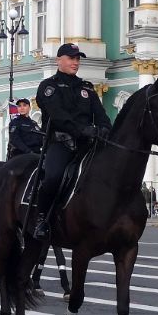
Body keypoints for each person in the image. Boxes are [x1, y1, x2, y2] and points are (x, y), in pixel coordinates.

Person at [30, 43, 112, 239]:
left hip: (87, 145)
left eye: (77, 59)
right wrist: (83, 130)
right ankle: (42, 218)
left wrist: (105, 128)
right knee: (53, 177)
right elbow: (58, 116)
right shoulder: (49, 87)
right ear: (59, 60)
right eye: (71, 58)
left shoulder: (87, 88)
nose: (75, 62)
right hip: (61, 144)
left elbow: (100, 114)